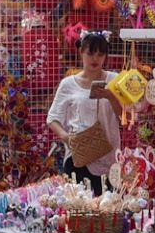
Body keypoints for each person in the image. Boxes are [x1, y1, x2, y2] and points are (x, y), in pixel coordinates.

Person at [43, 31, 124, 195]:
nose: (95, 59)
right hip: (78, 155)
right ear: (81, 52)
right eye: (90, 53)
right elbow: (53, 118)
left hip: (109, 157)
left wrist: (110, 96)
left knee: (108, 209)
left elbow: (124, 117)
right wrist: (65, 137)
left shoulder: (115, 80)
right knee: (79, 209)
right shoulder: (68, 84)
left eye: (100, 54)